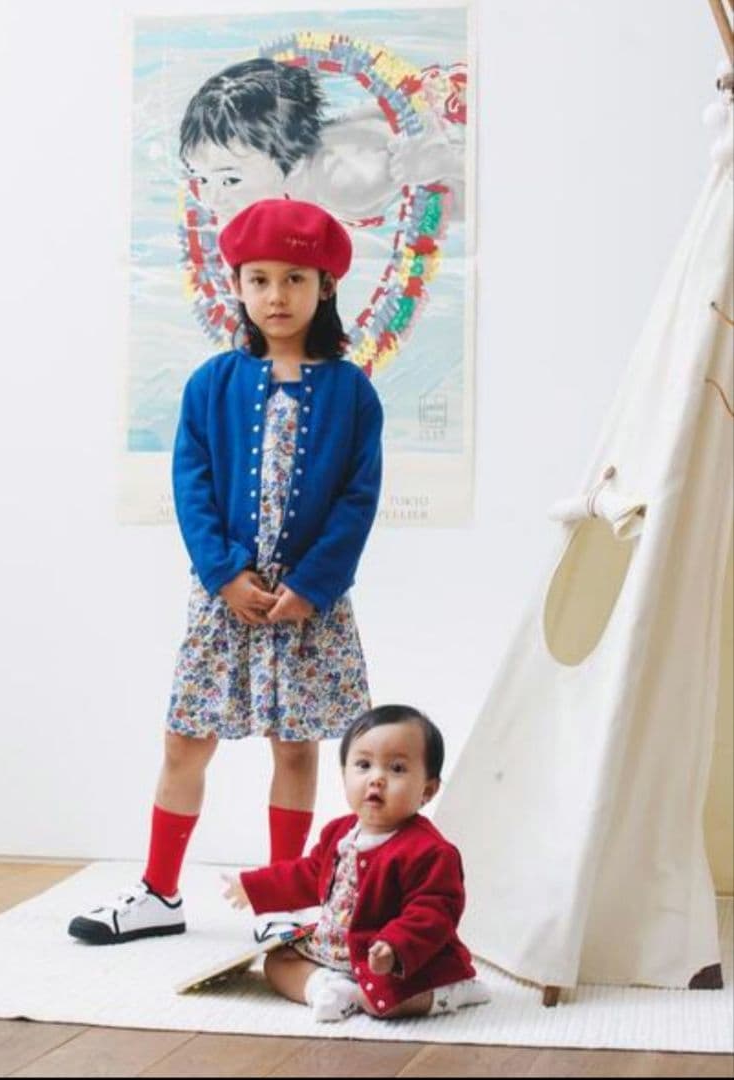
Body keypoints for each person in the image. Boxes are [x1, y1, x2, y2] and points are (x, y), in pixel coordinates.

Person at [68, 198, 383, 945]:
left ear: (325, 287)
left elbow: (357, 497)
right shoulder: (211, 384)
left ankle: (281, 901)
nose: (276, 296)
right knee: (185, 740)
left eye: (295, 279)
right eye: (259, 279)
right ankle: (159, 892)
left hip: (308, 604)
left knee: (296, 746)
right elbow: (193, 484)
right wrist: (225, 575)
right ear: (236, 286)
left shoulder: (352, 392)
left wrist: (311, 586)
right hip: (225, 600)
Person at [222, 705, 490, 1022]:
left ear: (427, 790)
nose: (377, 779)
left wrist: (394, 947)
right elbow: (308, 874)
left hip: (396, 959)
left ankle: (453, 992)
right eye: (363, 765)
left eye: (397, 769)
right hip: (335, 949)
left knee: (385, 1002)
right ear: (345, 775)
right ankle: (324, 987)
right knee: (276, 962)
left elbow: (433, 911)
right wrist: (255, 887)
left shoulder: (430, 851)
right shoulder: (339, 832)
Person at [180, 57, 462, 225]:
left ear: (295, 166)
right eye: (201, 178)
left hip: (452, 115)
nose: (210, 200)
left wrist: (444, 161)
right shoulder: (288, 170)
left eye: (229, 181)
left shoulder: (346, 181)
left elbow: (453, 157)